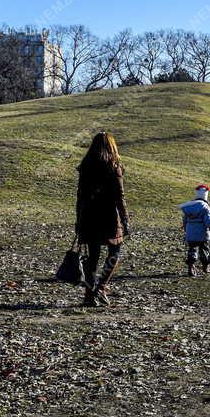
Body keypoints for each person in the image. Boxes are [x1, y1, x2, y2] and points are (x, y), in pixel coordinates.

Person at [75, 131, 130, 306]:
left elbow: (80, 196)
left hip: (89, 215)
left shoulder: (86, 166)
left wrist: (79, 220)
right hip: (109, 217)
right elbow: (119, 196)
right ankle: (101, 286)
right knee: (115, 252)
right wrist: (125, 218)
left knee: (93, 257)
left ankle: (89, 295)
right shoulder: (113, 166)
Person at [180, 184, 210, 277]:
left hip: (190, 233)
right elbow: (208, 222)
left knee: (192, 249)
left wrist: (185, 228)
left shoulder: (189, 206)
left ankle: (191, 267)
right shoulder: (205, 207)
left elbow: (184, 220)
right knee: (204, 250)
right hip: (202, 234)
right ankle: (205, 267)